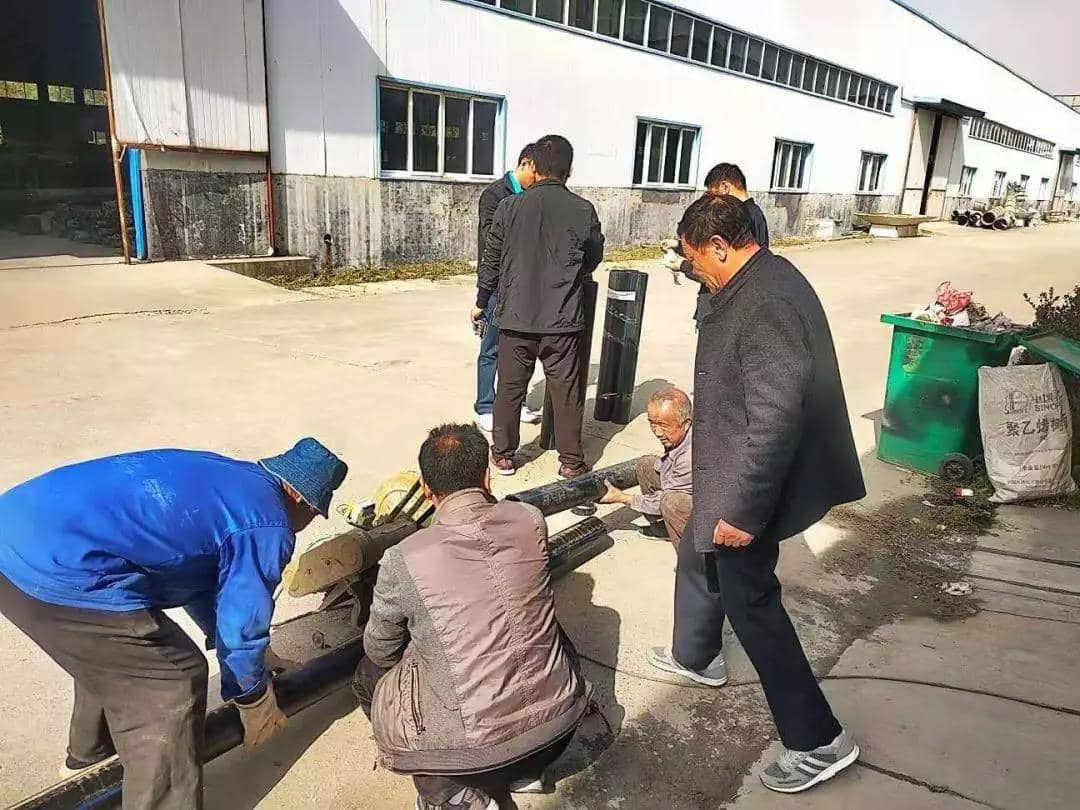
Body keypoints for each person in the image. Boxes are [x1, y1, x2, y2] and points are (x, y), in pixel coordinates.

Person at [648, 195, 866, 794]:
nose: (695, 271)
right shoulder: (760, 276)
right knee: (710, 568)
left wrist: (744, 512)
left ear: (721, 246)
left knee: (754, 608)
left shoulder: (767, 302)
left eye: (696, 259)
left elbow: (774, 419)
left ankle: (818, 739)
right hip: (733, 475)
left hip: (747, 488)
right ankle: (698, 655)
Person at [0, 439, 347, 810]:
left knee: (119, 654)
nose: (307, 524)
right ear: (300, 498)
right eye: (314, 513)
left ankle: (91, 757)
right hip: (54, 569)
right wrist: (252, 697)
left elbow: (199, 582)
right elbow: (242, 621)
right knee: (171, 679)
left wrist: (254, 659)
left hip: (16, 535)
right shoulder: (268, 521)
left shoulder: (231, 478)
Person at [353, 423, 588, 810]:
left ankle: (452, 795)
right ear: (487, 476)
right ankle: (527, 773)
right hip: (558, 733)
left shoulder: (403, 558)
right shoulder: (531, 519)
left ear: (426, 489)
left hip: (471, 759)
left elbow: (380, 649)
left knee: (368, 674)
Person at [474, 134, 605, 479]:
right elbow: (593, 257)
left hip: (516, 317)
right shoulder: (583, 210)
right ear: (568, 170)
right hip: (562, 319)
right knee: (566, 392)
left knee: (510, 389)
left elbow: (491, 261)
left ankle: (503, 456)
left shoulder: (509, 207)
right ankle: (571, 462)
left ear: (535, 166)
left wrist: (481, 301)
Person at [473, 144, 541, 433]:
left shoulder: (535, 196)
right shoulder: (494, 195)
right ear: (525, 164)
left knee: (521, 349)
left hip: (527, 285)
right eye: (536, 173)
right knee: (491, 347)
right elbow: (492, 243)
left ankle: (517, 401)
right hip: (498, 285)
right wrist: (483, 294)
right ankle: (485, 406)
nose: (538, 180)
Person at [663, 162, 770, 321]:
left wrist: (682, 265)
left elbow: (719, 266)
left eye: (713, 194)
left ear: (725, 187)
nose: (712, 201)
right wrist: (679, 247)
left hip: (722, 308)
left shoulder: (739, 217)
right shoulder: (752, 214)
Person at [599, 387, 693, 548]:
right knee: (646, 464)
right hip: (687, 486)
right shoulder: (679, 434)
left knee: (672, 503)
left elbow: (665, 499)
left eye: (663, 425)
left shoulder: (691, 456)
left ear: (686, 424)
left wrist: (623, 498)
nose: (657, 432)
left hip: (713, 512)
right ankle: (662, 528)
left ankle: (694, 558)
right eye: (652, 423)